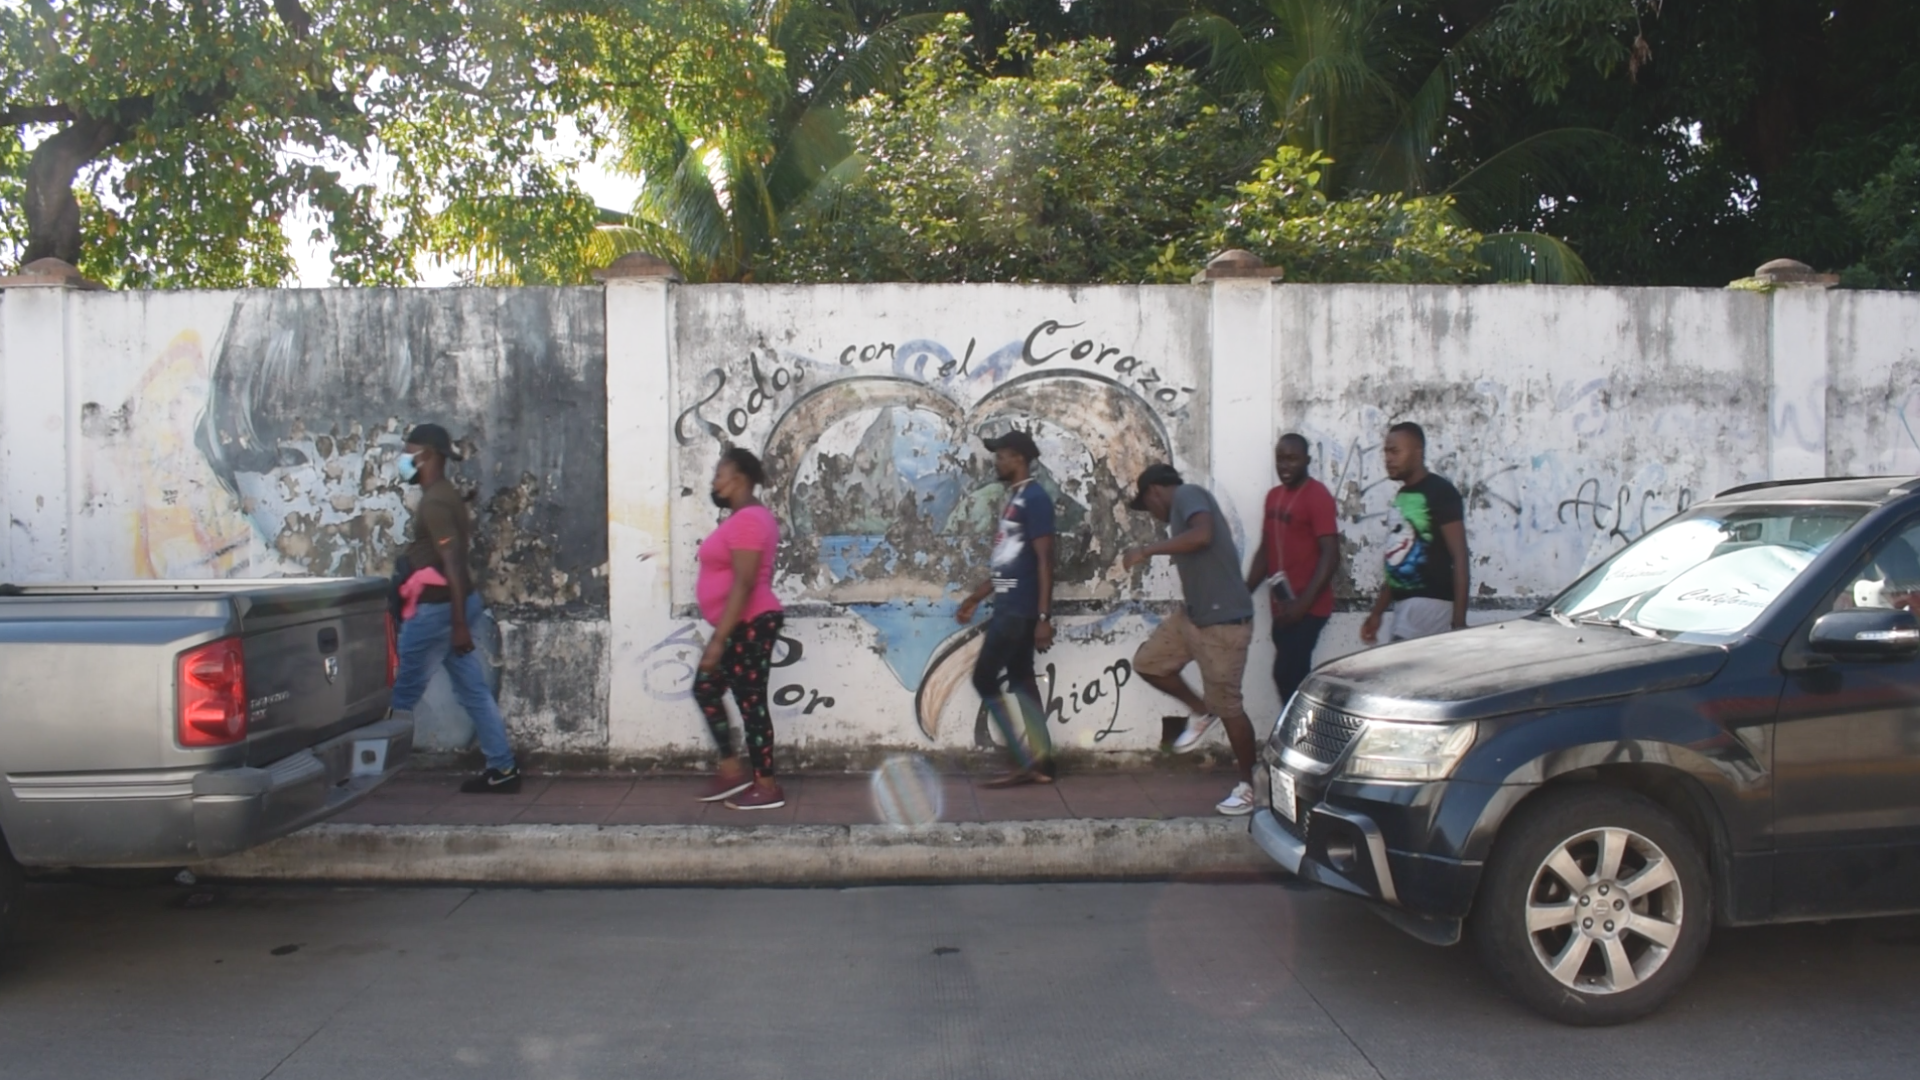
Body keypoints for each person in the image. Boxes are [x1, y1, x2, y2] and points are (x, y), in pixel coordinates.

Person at [389, 423, 521, 794]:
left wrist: (459, 623)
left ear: (426, 456)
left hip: (438, 613)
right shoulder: (443, 495)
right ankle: (503, 768)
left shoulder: (435, 502)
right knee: (474, 692)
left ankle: (370, 772)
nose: (403, 460)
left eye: (408, 453)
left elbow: (453, 560)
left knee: (401, 694)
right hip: (450, 611)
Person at [1121, 464, 1258, 816]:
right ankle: (1201, 709)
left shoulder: (1188, 495)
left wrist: (1147, 551)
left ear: (1155, 491)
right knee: (1149, 663)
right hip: (1192, 618)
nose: (1152, 514)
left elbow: (1203, 535)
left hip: (1223, 625)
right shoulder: (1180, 509)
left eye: (1147, 505)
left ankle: (1249, 788)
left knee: (1230, 707)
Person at [956, 430, 1057, 787]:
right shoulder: (1016, 499)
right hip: (1011, 603)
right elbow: (1011, 567)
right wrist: (977, 596)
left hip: (1018, 611)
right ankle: (1042, 763)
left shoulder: (1035, 499)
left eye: (1001, 455)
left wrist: (1043, 617)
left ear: (1018, 457)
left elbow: (1045, 561)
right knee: (1022, 682)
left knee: (984, 678)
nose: (996, 461)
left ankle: (1024, 760)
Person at [693, 447, 788, 810]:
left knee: (751, 703)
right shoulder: (743, 519)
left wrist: (719, 641)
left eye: (720, 474)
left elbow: (745, 582)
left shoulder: (749, 520)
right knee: (706, 688)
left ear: (740, 478)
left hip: (750, 623)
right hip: (742, 623)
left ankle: (767, 786)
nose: (715, 482)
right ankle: (731, 771)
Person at [1246, 434, 1340, 706]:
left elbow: (1331, 554)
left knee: (1288, 675)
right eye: (1280, 459)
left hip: (1308, 608)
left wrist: (1302, 604)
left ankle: (1306, 736)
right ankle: (1303, 735)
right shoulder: (1273, 497)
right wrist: (1244, 593)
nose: (1285, 466)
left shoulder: (1317, 495)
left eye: (1292, 459)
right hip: (1282, 607)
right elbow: (1265, 551)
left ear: (1307, 461)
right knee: (1289, 677)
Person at [1361, 422, 1469, 644]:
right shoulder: (1403, 496)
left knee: (1399, 675)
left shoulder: (1441, 493)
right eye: (1386, 451)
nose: (1388, 458)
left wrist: (1459, 621)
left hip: (1429, 607)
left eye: (1395, 451)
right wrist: (1377, 613)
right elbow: (1397, 559)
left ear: (1418, 452)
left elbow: (1460, 556)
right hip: (1406, 608)